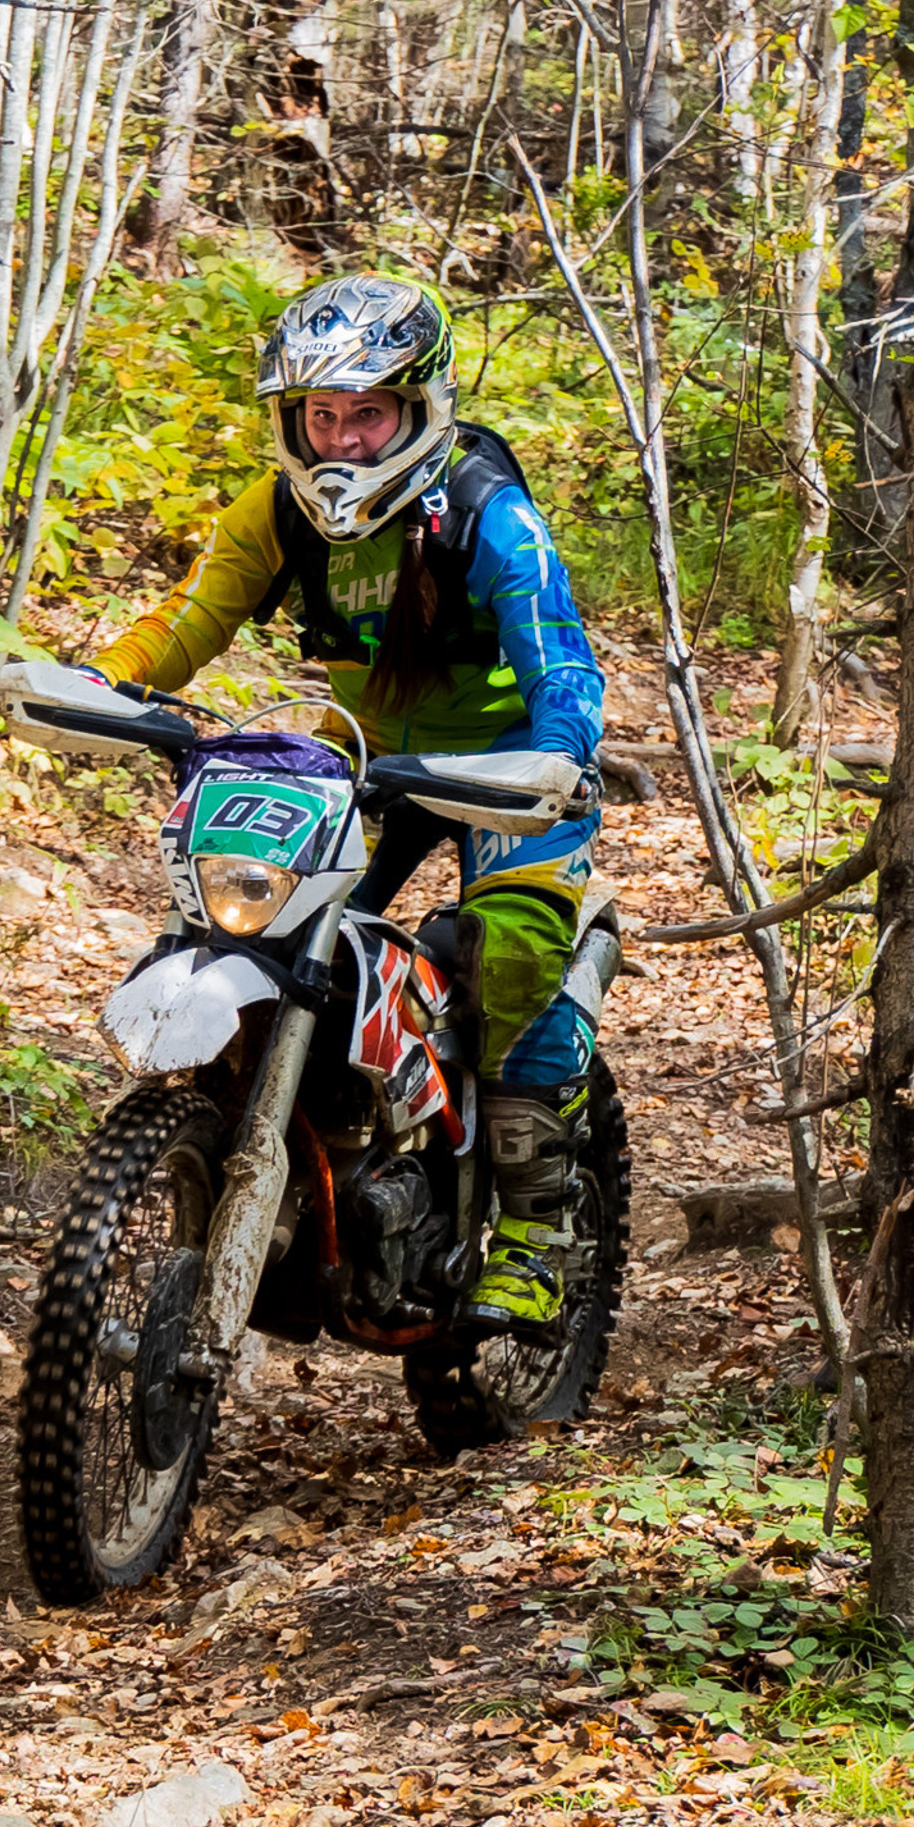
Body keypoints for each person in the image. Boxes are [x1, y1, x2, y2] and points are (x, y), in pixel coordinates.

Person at [87, 274, 606, 1334]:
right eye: (320, 415)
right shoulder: (277, 507)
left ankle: (534, 1233)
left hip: (506, 764)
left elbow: (557, 650)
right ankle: (301, 1142)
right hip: (365, 753)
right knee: (267, 914)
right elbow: (190, 614)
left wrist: (558, 752)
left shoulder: (483, 509)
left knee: (509, 952)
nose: (341, 441)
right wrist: (103, 685)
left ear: (416, 408)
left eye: (365, 414)